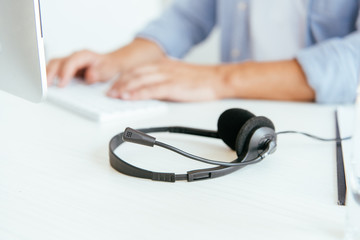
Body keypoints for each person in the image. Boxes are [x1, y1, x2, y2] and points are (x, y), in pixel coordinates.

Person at [46, 0, 360, 104]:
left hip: (324, 126)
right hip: (237, 115)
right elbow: (189, 16)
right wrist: (113, 62)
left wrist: (219, 79)